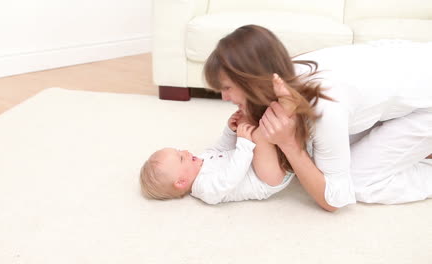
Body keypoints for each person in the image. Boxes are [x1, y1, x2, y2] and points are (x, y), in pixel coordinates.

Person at [204, 24, 432, 211]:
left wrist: (289, 145)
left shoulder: (323, 108)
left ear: (251, 81)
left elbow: (334, 200)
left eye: (227, 88)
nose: (224, 98)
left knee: (358, 181)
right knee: (333, 151)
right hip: (414, 68)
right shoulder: (285, 74)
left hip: (426, 99)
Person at [139, 111, 295, 204]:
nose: (186, 152)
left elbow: (220, 148)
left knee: (247, 118)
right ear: (181, 182)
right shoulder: (205, 190)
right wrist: (244, 143)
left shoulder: (200, 160)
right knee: (258, 133)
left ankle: (290, 123)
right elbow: (231, 177)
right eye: (181, 158)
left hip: (258, 162)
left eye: (180, 150)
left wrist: (230, 130)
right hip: (266, 179)